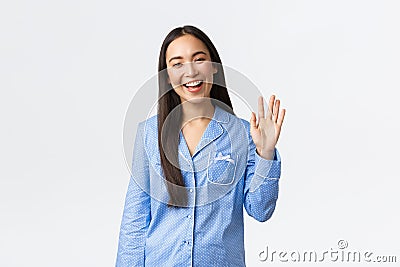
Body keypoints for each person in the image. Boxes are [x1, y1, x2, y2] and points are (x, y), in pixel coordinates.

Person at [116, 25, 286, 266]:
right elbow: (134, 223)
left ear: (214, 67)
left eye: (199, 59)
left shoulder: (243, 134)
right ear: (167, 76)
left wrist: (265, 153)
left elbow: (261, 210)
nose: (191, 71)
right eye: (177, 64)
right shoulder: (149, 134)